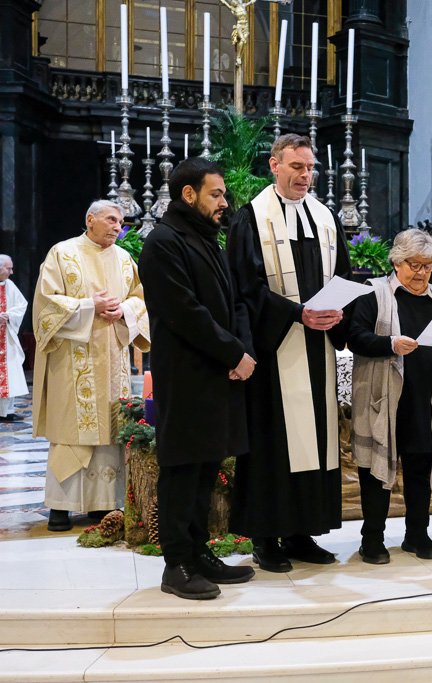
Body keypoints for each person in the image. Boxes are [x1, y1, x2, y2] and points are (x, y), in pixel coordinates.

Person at [227, 133, 351, 573]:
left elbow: (344, 275)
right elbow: (244, 288)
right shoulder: (250, 219)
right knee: (272, 443)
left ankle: (302, 532)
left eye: (311, 167)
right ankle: (265, 537)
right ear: (274, 166)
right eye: (297, 167)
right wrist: (296, 314)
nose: (306, 175)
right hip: (273, 347)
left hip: (318, 348)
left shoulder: (325, 217)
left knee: (314, 441)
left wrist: (339, 313)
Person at [139, 158, 256, 599]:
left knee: (206, 466)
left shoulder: (207, 238)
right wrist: (232, 352)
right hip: (187, 375)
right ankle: (176, 565)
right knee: (182, 469)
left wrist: (241, 351)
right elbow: (184, 312)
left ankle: (198, 550)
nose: (224, 201)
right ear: (188, 194)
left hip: (219, 373)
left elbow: (234, 301)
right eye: (216, 193)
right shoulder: (163, 242)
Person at [346, 229, 432, 564]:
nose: (421, 272)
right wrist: (390, 344)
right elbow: (355, 337)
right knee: (375, 472)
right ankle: (372, 539)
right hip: (383, 397)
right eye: (415, 264)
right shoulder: (375, 293)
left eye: (428, 266)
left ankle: (417, 534)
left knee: (418, 467)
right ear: (397, 261)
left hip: (425, 397)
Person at [33, 200, 149, 532]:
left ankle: (104, 505)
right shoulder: (63, 253)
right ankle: (61, 506)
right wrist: (89, 306)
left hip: (113, 357)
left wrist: (123, 312)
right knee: (72, 431)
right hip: (73, 360)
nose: (118, 226)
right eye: (112, 219)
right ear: (90, 220)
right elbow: (46, 303)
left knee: (111, 431)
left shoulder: (125, 259)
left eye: (121, 222)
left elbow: (140, 299)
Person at [0, 255, 28, 421]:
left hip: (5, 339)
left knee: (9, 374)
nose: (11, 272)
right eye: (8, 268)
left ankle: (6, 411)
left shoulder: (9, 285)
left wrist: (9, 315)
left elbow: (21, 305)